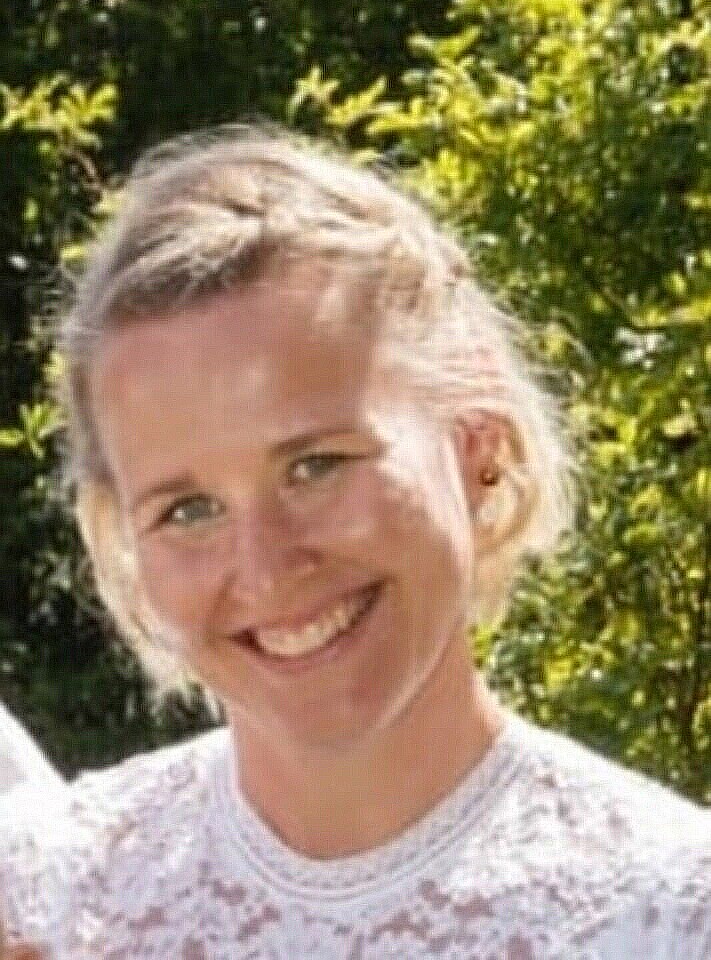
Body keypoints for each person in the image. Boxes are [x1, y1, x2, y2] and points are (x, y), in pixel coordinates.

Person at [1, 127, 709, 959]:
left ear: (474, 439)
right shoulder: (42, 891)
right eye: (188, 511)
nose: (265, 569)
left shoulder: (669, 914)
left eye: (315, 466)